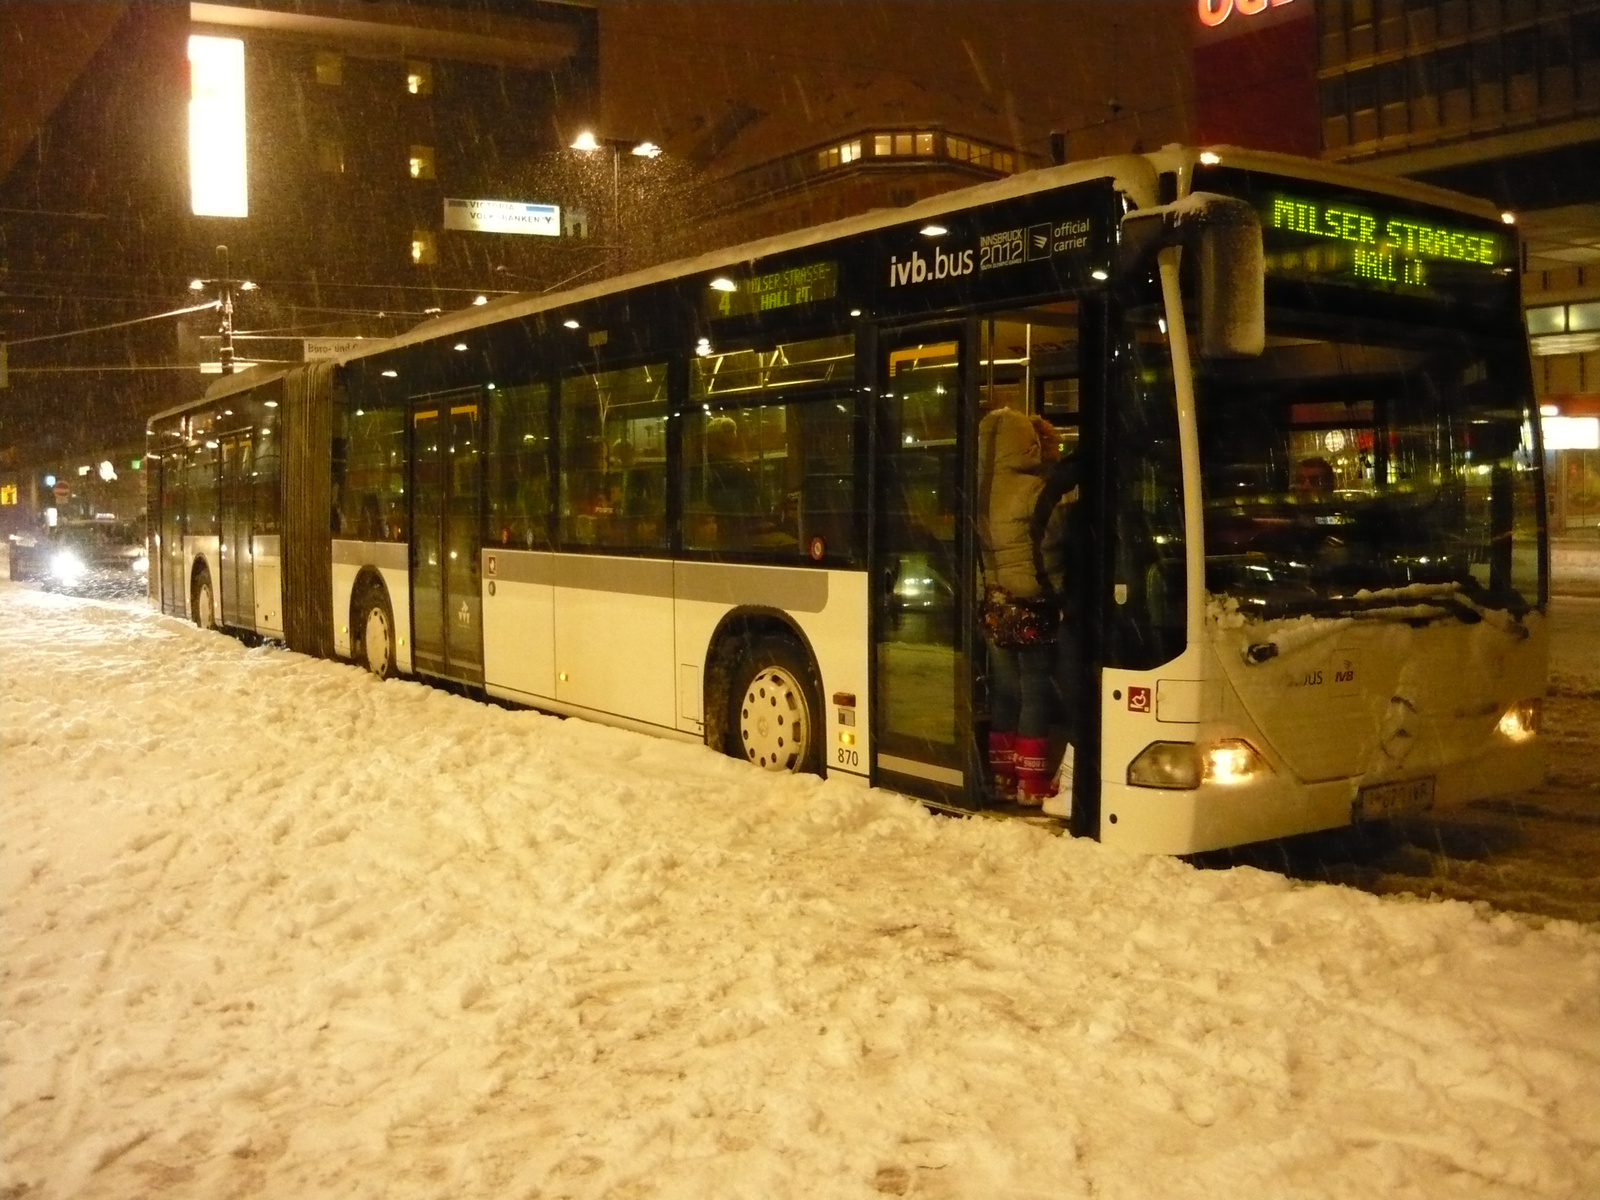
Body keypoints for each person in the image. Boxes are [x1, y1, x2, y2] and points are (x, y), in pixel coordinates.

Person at [977, 407, 1070, 806]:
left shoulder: (979, 489)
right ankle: (1031, 785)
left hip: (995, 603)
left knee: (1005, 692)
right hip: (1032, 603)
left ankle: (1002, 778)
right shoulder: (1036, 491)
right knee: (1035, 692)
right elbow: (1055, 540)